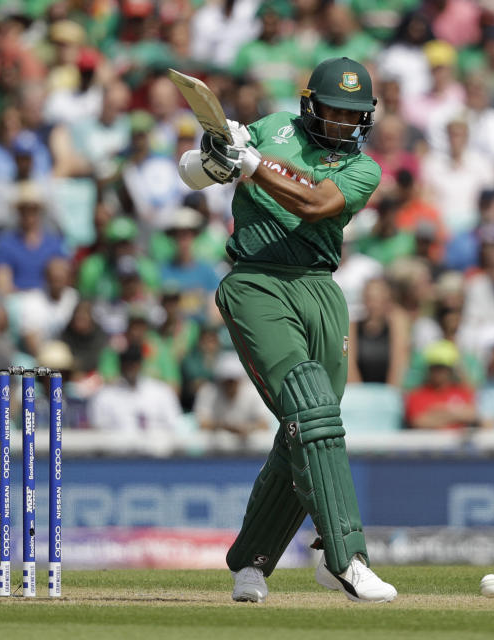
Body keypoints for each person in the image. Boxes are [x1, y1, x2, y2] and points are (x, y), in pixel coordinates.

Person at [178, 57, 396, 603]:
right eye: (333, 111)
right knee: (309, 405)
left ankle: (252, 561)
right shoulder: (272, 129)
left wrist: (252, 165)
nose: (343, 124)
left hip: (319, 287)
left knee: (309, 423)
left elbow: (317, 202)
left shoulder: (363, 169)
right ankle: (345, 555)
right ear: (309, 104)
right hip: (255, 280)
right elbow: (189, 172)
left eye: (353, 115)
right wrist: (216, 157)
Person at [87, 344, 182, 433]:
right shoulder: (105, 396)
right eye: (126, 363)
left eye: (134, 363)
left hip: (155, 448)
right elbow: (98, 430)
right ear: (120, 365)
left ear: (140, 364)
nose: (131, 367)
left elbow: (174, 424)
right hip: (119, 448)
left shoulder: (161, 391)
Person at [194, 351, 271, 436]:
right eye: (226, 380)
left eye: (233, 380)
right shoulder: (208, 392)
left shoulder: (253, 392)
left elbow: (265, 424)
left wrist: (248, 428)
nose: (230, 384)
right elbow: (202, 423)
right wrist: (225, 427)